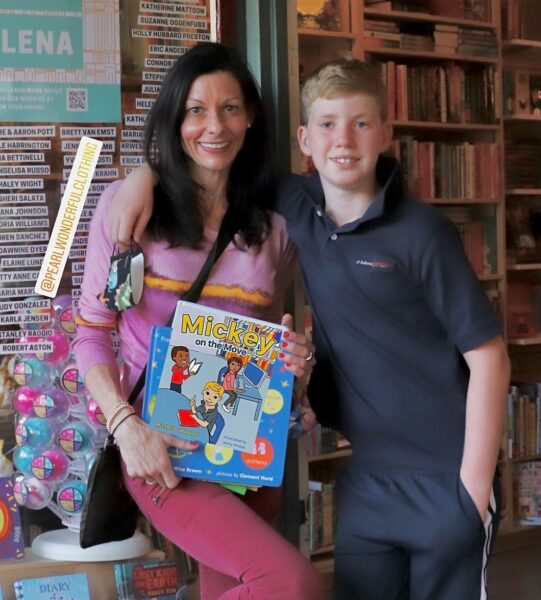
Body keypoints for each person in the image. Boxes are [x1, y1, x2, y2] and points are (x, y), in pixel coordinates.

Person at [109, 54, 511, 600]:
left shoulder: (423, 231)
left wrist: (473, 485)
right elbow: (209, 163)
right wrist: (146, 175)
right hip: (365, 480)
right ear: (304, 139)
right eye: (327, 125)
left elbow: (489, 357)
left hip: (446, 473)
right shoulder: (294, 204)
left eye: (360, 123)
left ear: (384, 134)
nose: (342, 140)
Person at [73, 42, 324, 600]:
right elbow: (91, 333)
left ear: (251, 116)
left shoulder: (274, 227)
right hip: (161, 451)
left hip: (247, 449)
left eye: (231, 108)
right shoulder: (130, 209)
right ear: (174, 117)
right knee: (290, 583)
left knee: (235, 586)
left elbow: (269, 334)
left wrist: (295, 357)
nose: (214, 126)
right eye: (196, 109)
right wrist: (124, 427)